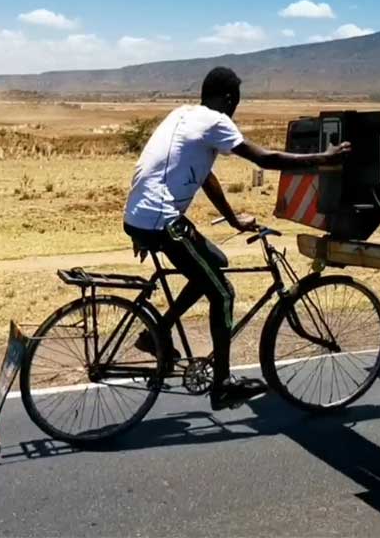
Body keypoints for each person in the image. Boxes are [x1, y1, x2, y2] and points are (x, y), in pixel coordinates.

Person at [122, 66, 351, 410]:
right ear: (230, 99)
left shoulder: (184, 114)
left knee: (214, 263)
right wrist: (324, 159)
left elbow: (204, 176)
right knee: (224, 293)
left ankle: (156, 334)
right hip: (162, 220)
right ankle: (223, 385)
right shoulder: (216, 121)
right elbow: (266, 159)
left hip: (142, 217)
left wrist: (232, 219)